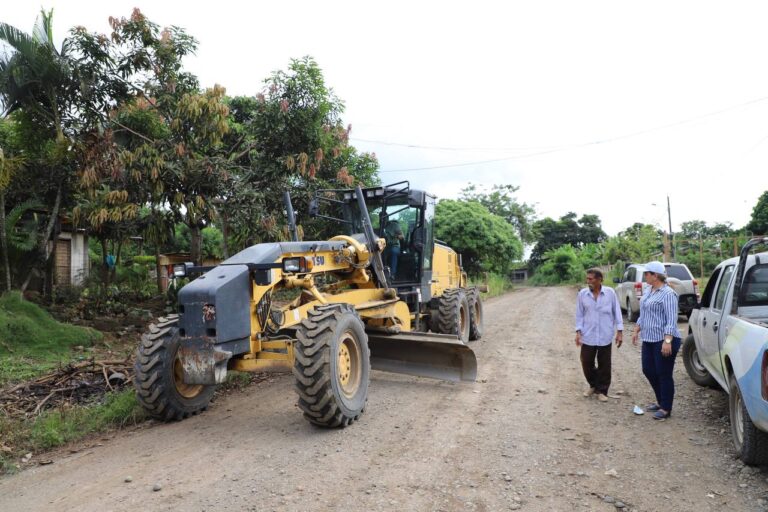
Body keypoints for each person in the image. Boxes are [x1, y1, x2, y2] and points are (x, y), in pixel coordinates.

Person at [631, 261, 681, 421]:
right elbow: (644, 313)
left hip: (664, 339)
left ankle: (666, 407)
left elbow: (671, 320)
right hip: (649, 338)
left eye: (647, 273)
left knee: (663, 373)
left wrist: (667, 341)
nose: (644, 276)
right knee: (648, 370)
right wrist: (637, 329)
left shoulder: (668, 294)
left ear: (655, 275)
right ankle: (661, 401)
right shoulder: (648, 290)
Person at [575, 268, 623, 402]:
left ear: (599, 279)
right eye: (587, 278)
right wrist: (578, 332)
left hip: (605, 334)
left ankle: (602, 390)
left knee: (605, 364)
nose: (588, 281)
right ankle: (593, 385)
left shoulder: (610, 293)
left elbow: (617, 312)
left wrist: (619, 331)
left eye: (591, 279)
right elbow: (579, 315)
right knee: (586, 362)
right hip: (588, 335)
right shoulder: (583, 294)